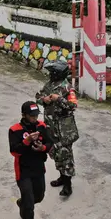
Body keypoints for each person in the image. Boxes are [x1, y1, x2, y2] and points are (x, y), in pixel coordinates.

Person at [35, 61, 78, 197]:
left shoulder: (67, 88)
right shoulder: (49, 85)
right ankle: (62, 177)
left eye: (53, 73)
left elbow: (72, 106)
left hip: (64, 129)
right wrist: (44, 99)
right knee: (55, 153)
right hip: (50, 126)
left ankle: (68, 184)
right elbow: (38, 97)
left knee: (65, 155)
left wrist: (58, 99)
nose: (50, 75)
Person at [9, 101, 54, 219]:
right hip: (23, 172)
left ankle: (21, 203)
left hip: (38, 169)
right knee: (29, 206)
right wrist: (27, 140)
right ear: (24, 115)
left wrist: (42, 148)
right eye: (31, 116)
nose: (35, 118)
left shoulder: (42, 126)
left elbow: (50, 143)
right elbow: (14, 152)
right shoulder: (15, 130)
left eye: (36, 115)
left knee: (38, 197)